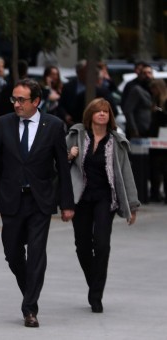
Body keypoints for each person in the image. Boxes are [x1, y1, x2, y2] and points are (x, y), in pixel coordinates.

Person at [0, 79, 75, 328]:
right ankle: (30, 288)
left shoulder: (53, 126)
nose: (16, 104)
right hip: (11, 198)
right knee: (12, 253)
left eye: (21, 100)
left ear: (36, 102)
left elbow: (62, 168)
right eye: (14, 99)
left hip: (40, 199)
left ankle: (30, 308)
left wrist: (67, 204)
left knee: (37, 254)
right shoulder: (3, 123)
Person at [65, 98, 139, 314]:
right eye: (98, 111)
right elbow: (57, 162)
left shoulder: (116, 141)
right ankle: (94, 283)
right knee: (82, 245)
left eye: (106, 111)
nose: (102, 114)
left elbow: (126, 173)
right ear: (90, 115)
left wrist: (132, 206)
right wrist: (70, 156)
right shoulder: (76, 136)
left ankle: (96, 295)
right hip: (81, 198)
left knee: (102, 245)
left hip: (106, 199)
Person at [123, 64, 154, 138]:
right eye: (144, 73)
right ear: (140, 75)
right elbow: (128, 110)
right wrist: (133, 130)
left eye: (149, 73)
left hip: (152, 130)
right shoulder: (136, 89)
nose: (147, 75)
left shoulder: (154, 88)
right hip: (139, 130)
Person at [148, 79, 167, 203]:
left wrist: (159, 112)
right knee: (155, 166)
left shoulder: (165, 101)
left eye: (154, 89)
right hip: (155, 136)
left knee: (164, 166)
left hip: (164, 136)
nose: (153, 92)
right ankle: (155, 192)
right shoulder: (154, 101)